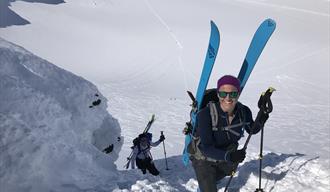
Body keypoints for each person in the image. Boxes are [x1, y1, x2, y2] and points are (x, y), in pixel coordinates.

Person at [191, 75, 271, 192]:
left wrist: (262, 114)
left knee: (217, 177)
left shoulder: (243, 111)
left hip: (226, 157)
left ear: (238, 94)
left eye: (233, 94)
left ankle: (211, 181)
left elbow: (252, 130)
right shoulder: (205, 114)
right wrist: (230, 156)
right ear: (218, 94)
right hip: (204, 160)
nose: (228, 98)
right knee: (208, 185)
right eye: (223, 94)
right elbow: (206, 148)